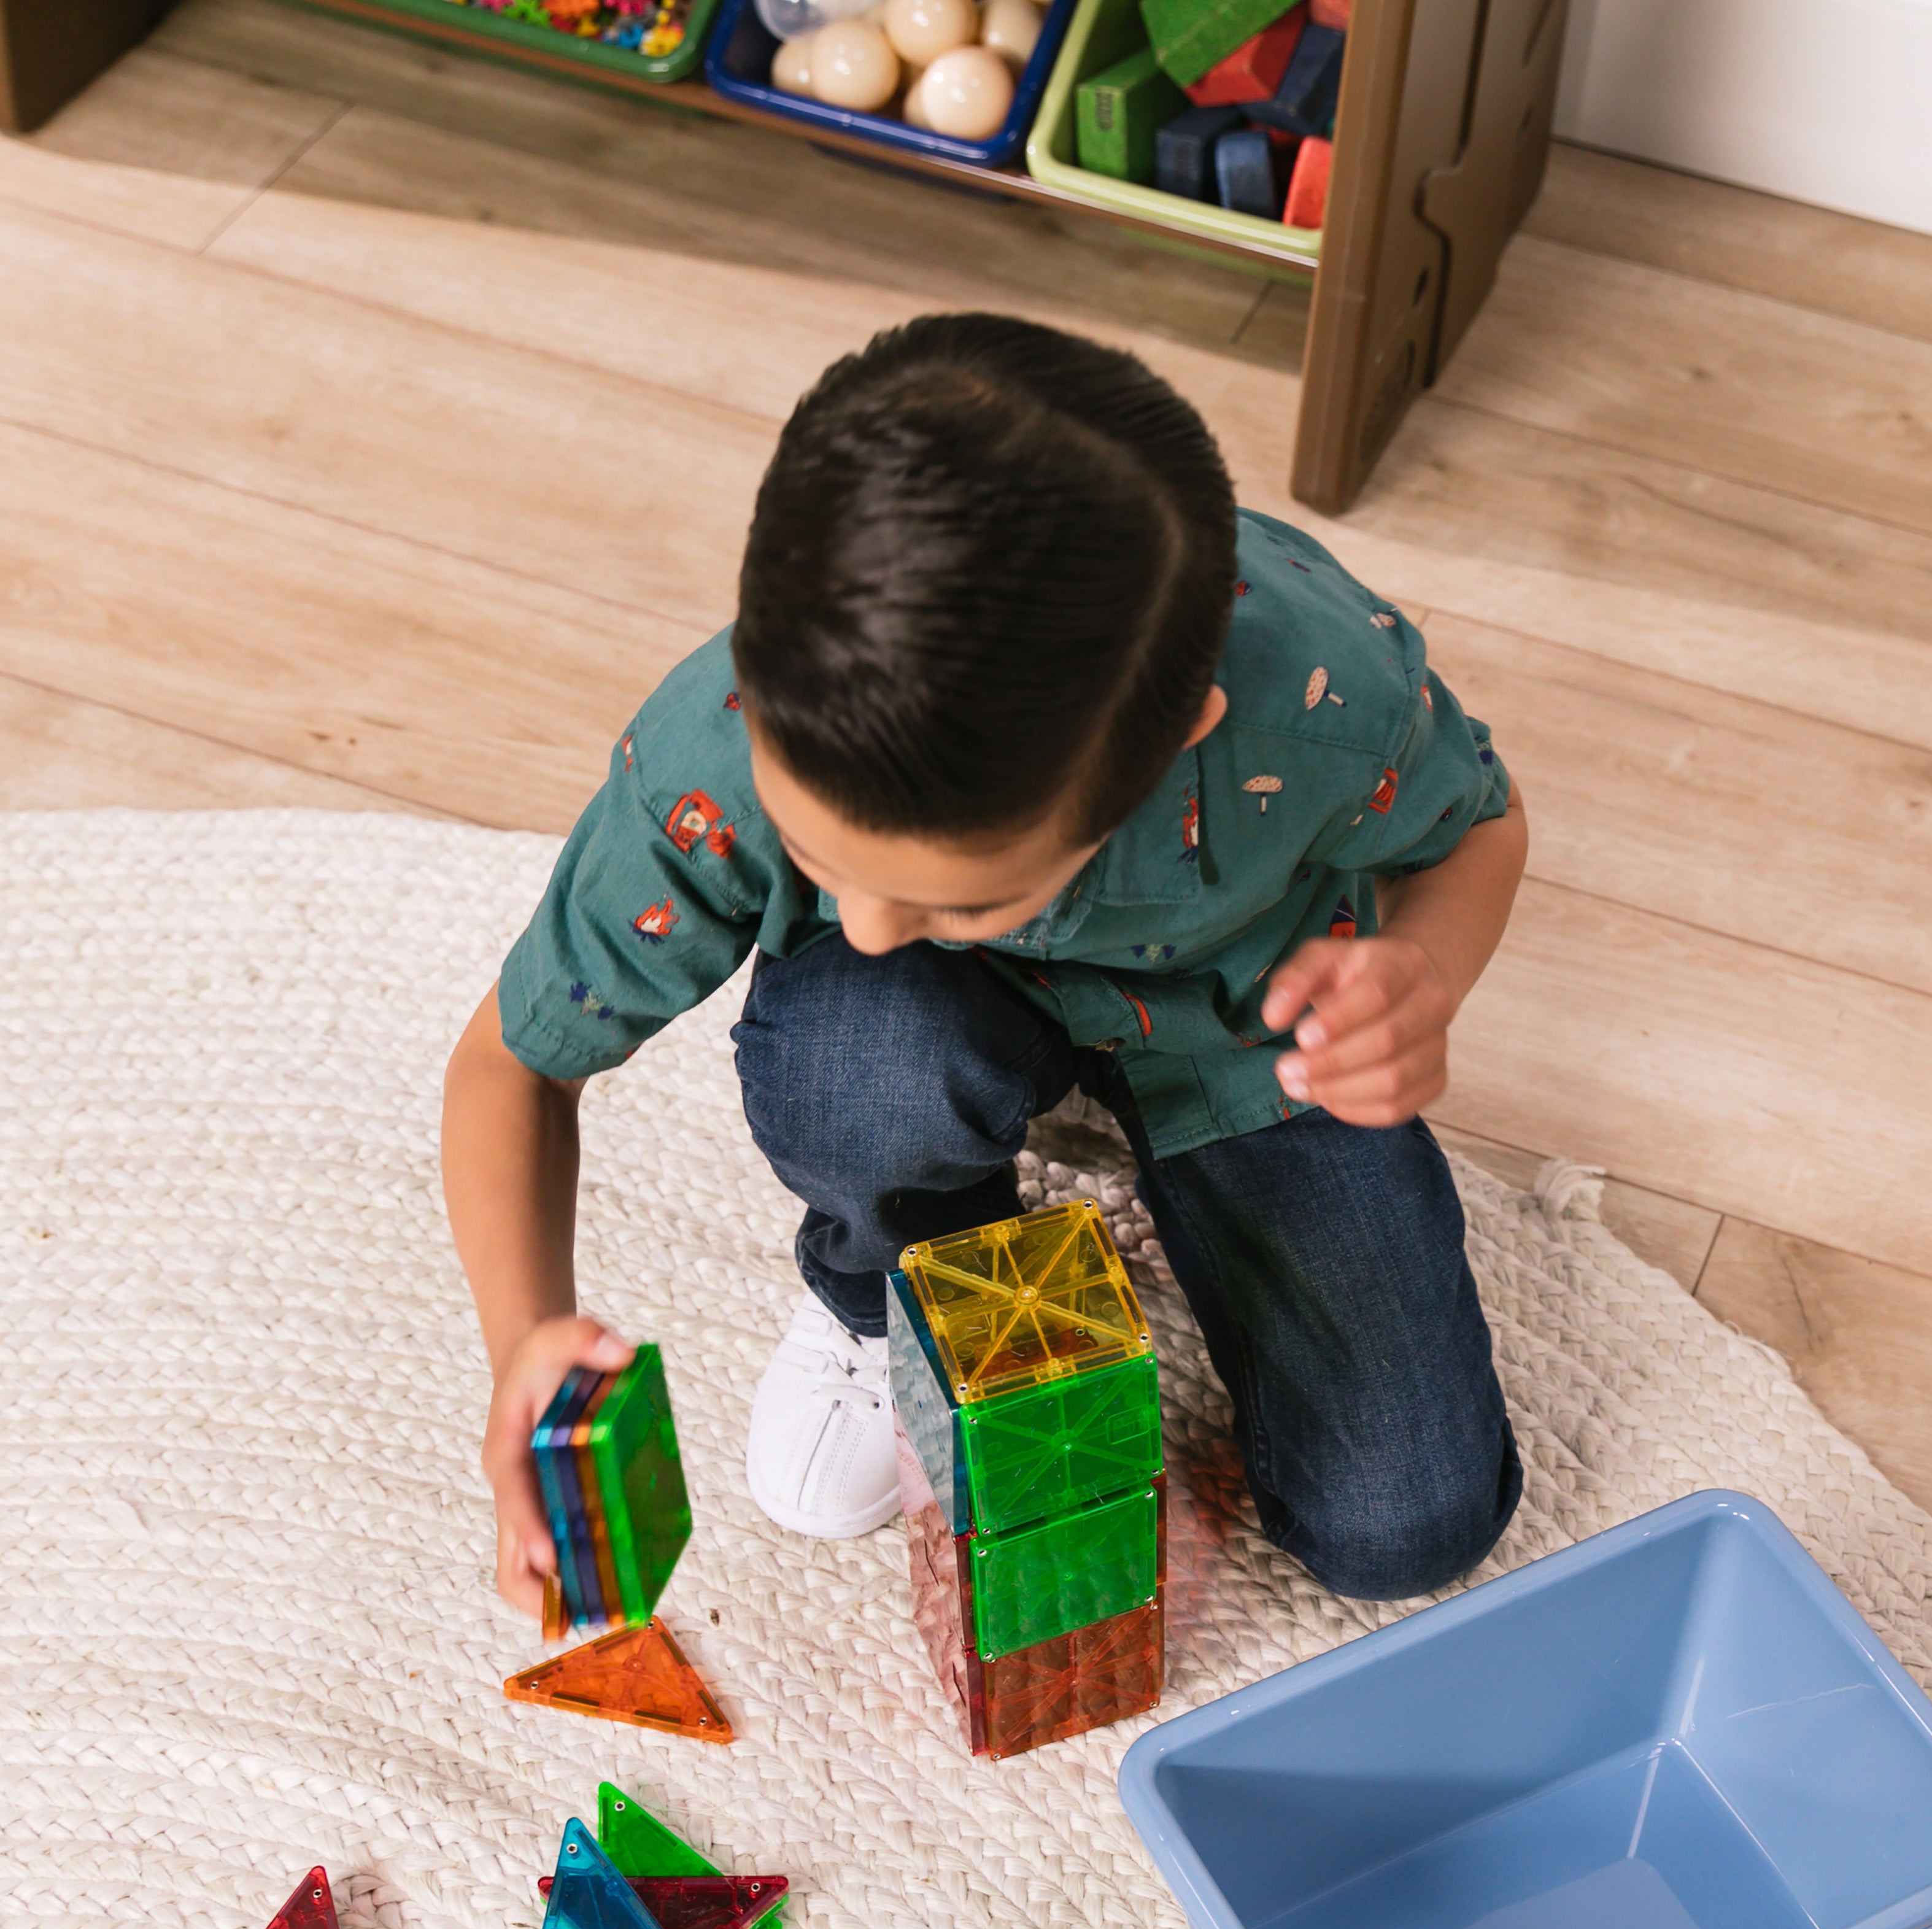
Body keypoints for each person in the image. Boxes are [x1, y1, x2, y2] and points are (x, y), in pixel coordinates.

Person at [441, 312, 1528, 1616]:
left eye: (958, 892)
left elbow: (1481, 823)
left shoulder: (1327, 694)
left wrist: (1423, 967)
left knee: (1406, 1526)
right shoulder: (731, 735)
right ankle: (878, 1287)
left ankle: (1153, 1175)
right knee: (860, 1041)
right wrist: (523, 1339)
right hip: (922, 1043)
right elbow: (512, 1062)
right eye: (814, 851)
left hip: (1243, 1027)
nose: (870, 923)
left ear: (1176, 742)